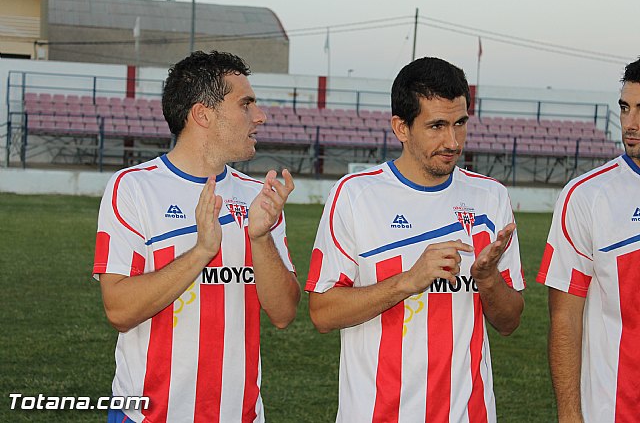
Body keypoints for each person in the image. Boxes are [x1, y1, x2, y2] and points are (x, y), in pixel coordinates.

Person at [306, 57, 525, 422]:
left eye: (459, 124)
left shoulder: (490, 198)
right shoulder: (355, 195)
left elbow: (509, 321)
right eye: (436, 126)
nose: (452, 141)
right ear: (401, 127)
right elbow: (322, 313)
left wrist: (487, 279)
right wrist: (409, 280)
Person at [92, 50, 301, 423]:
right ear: (203, 114)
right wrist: (202, 251)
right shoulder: (134, 187)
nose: (260, 115)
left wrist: (260, 238)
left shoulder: (258, 196)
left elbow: (284, 313)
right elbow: (119, 310)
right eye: (245, 103)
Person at [538, 57, 640, 423]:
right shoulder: (586, 196)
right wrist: (569, 414)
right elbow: (564, 317)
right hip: (612, 411)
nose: (630, 124)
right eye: (625, 108)